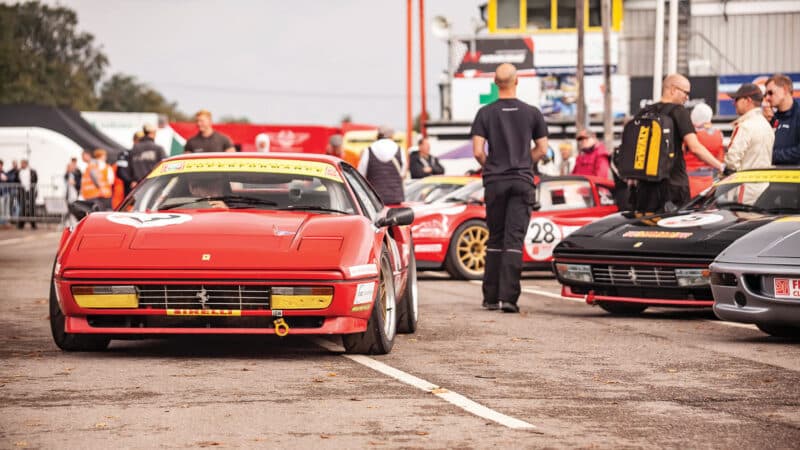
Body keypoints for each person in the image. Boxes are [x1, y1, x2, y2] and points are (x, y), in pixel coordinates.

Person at [471, 63, 549, 314]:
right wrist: (525, 161)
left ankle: (490, 298)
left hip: (495, 181)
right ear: (517, 81)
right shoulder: (532, 113)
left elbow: (477, 151)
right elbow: (543, 149)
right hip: (522, 181)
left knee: (495, 238)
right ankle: (509, 299)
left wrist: (492, 165)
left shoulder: (485, 113)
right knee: (514, 240)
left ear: (495, 83)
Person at [628, 73, 727, 215]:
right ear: (673, 89)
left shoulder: (644, 112)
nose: (687, 97)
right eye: (685, 93)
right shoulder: (679, 111)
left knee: (648, 231)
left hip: (646, 187)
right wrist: (720, 166)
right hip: (673, 186)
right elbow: (695, 147)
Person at [725, 83, 774, 172]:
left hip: (745, 184)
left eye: (737, 99)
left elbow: (731, 162)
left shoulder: (745, 126)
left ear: (748, 100)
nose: (734, 103)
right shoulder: (767, 126)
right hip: (764, 184)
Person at [357, 125, 407, 205]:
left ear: (378, 135)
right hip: (395, 199)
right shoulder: (400, 150)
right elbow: (403, 173)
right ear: (392, 136)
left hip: (375, 201)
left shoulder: (368, 150)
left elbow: (361, 174)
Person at [765, 74, 800, 165]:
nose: (767, 98)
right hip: (773, 177)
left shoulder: (797, 115)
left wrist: (770, 155)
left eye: (770, 93)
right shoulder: (772, 119)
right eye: (766, 94)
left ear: (784, 90)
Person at [129, 123, 167, 189]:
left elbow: (130, 167)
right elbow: (164, 167)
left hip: (137, 186)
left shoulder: (134, 148)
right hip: (153, 185)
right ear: (152, 133)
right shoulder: (158, 149)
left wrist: (133, 180)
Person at [15, 159, 38, 229]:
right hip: (22, 192)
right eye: (21, 163)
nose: (21, 165)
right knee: (22, 208)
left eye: (23, 163)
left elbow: (35, 179)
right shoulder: (18, 171)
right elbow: (16, 180)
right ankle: (21, 224)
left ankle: (33, 224)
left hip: (30, 191)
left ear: (26, 164)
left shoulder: (32, 171)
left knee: (32, 208)